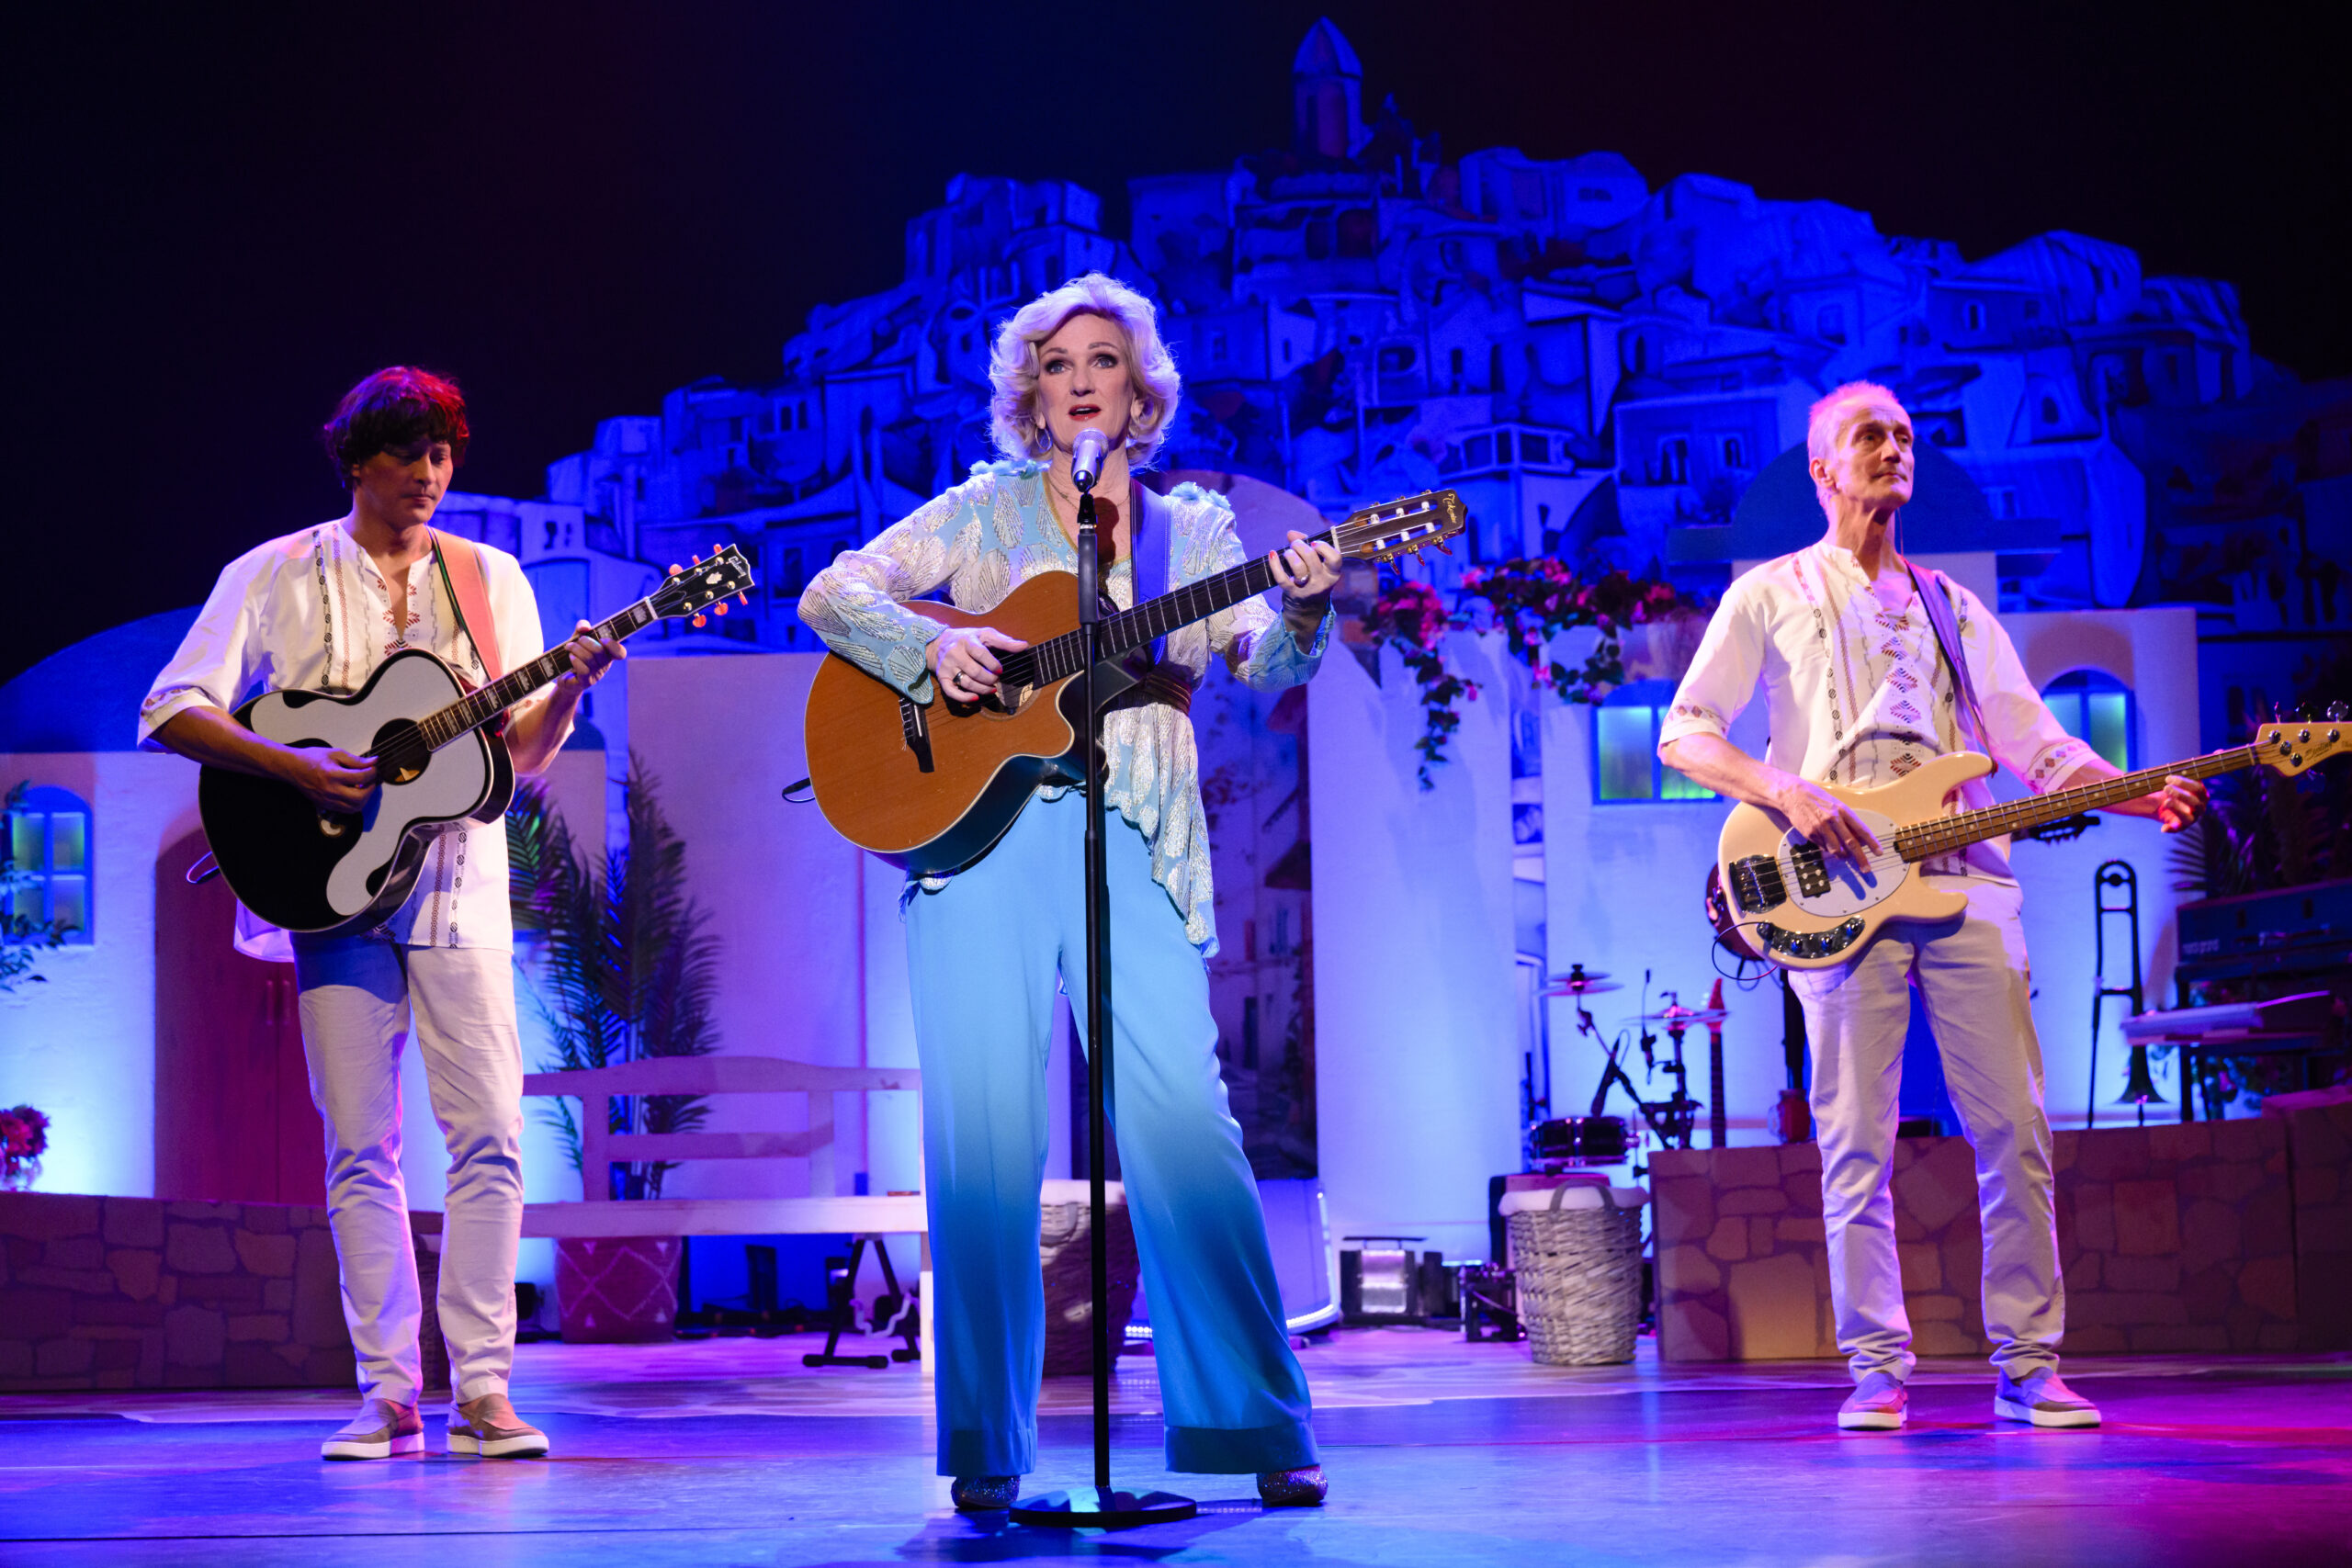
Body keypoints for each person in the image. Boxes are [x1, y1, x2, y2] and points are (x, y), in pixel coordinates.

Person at [800, 273, 1340, 1509]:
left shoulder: (1188, 531)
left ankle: (1255, 1416)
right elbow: (834, 591)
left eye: (1106, 358)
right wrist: (930, 645)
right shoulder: (983, 512)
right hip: (975, 841)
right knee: (982, 1137)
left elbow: (1263, 659)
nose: (1083, 376)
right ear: (1032, 396)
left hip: (1128, 829)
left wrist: (1305, 601)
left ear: (1142, 393)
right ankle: (988, 1446)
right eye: (1058, 362)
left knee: (1185, 1126)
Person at [1658, 382, 2206, 1432]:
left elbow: (2036, 744)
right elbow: (1685, 733)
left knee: (2016, 1131)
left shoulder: (1955, 610)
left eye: (1904, 436)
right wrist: (1785, 790)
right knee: (1853, 1140)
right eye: (1870, 436)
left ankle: (2029, 1363)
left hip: (1967, 882)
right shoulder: (1770, 594)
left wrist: (2132, 790)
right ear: (1822, 467)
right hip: (1833, 893)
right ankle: (1876, 1367)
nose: (1893, 449)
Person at [141, 367, 623, 1461]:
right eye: (407, 455)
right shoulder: (272, 573)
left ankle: (487, 1392)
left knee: (491, 1135)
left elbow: (521, 761)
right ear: (357, 460)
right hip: (332, 890)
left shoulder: (490, 577)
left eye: (444, 455)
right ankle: (387, 1392)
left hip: (458, 883)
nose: (429, 476)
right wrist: (294, 767)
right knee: (362, 1146)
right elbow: (171, 704)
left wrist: (575, 687)